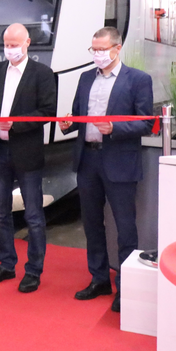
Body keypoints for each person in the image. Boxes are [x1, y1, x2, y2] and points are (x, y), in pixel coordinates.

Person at [60, 26, 153, 313]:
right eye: (94, 50)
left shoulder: (138, 80)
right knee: (91, 223)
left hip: (119, 161)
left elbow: (146, 122)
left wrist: (115, 128)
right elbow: (79, 115)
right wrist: (68, 123)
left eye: (102, 49)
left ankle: (126, 286)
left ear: (117, 48)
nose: (97, 55)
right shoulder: (86, 78)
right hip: (87, 160)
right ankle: (99, 278)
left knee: (125, 226)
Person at [0, 23, 56, 292]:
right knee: (1, 214)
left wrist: (16, 124)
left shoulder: (42, 74)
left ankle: (33, 270)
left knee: (33, 215)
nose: (9, 49)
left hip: (26, 152)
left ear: (27, 43)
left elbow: (47, 112)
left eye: (14, 44)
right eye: (6, 44)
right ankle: (7, 264)